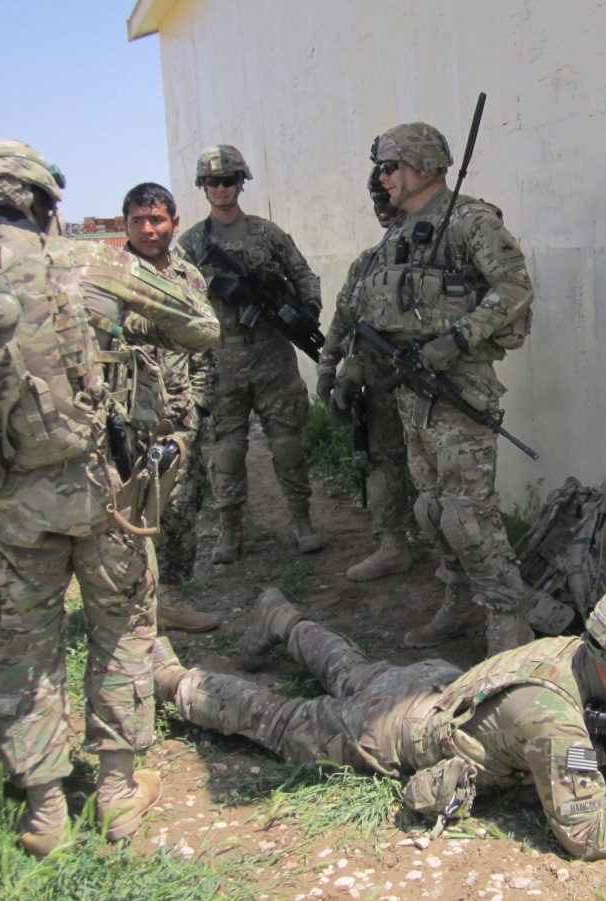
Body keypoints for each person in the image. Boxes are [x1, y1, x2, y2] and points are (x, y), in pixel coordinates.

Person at [0, 142, 219, 856]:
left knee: (24, 650)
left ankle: (43, 812)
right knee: (122, 631)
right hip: (107, 497)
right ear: (45, 202)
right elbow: (202, 325)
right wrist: (130, 321)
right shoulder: (96, 262)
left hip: (11, 503)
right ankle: (118, 794)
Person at [155, 579, 606, 860]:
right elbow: (586, 837)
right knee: (283, 722)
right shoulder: (553, 721)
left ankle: (281, 617)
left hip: (429, 684)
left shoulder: (575, 651)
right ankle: (171, 680)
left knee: (351, 667)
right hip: (393, 730)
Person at [351, 122, 537, 655]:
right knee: (431, 511)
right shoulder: (399, 232)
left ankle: (508, 623)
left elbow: (514, 287)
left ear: (424, 166)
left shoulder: (471, 221)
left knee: (467, 516)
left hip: (459, 390)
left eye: (390, 167)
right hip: (414, 395)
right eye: (380, 168)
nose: (382, 178)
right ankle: (459, 602)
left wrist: (457, 338)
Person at [176, 145, 324, 563]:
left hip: (272, 354)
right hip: (221, 358)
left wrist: (305, 310)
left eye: (228, 181)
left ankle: (302, 521)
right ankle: (229, 531)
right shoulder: (192, 245)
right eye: (212, 182)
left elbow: (302, 274)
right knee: (228, 450)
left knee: (287, 444)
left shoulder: (267, 233)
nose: (221, 189)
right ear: (203, 188)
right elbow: (178, 301)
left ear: (242, 183)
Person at [121, 182, 221, 633]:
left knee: (181, 507)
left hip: (180, 417)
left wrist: (197, 408)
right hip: (124, 418)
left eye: (156, 219)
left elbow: (204, 350)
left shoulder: (189, 277)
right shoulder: (113, 276)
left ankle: (171, 599)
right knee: (127, 509)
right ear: (125, 224)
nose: (148, 229)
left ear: (174, 223)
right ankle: (130, 602)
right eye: (138, 220)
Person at [315, 165, 412, 583]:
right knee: (381, 462)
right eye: (376, 199)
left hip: (425, 377)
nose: (382, 207)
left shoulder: (437, 250)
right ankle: (393, 545)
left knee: (442, 470)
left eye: (387, 196)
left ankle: (455, 564)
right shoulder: (367, 263)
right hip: (376, 378)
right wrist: (328, 366)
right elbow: (344, 318)